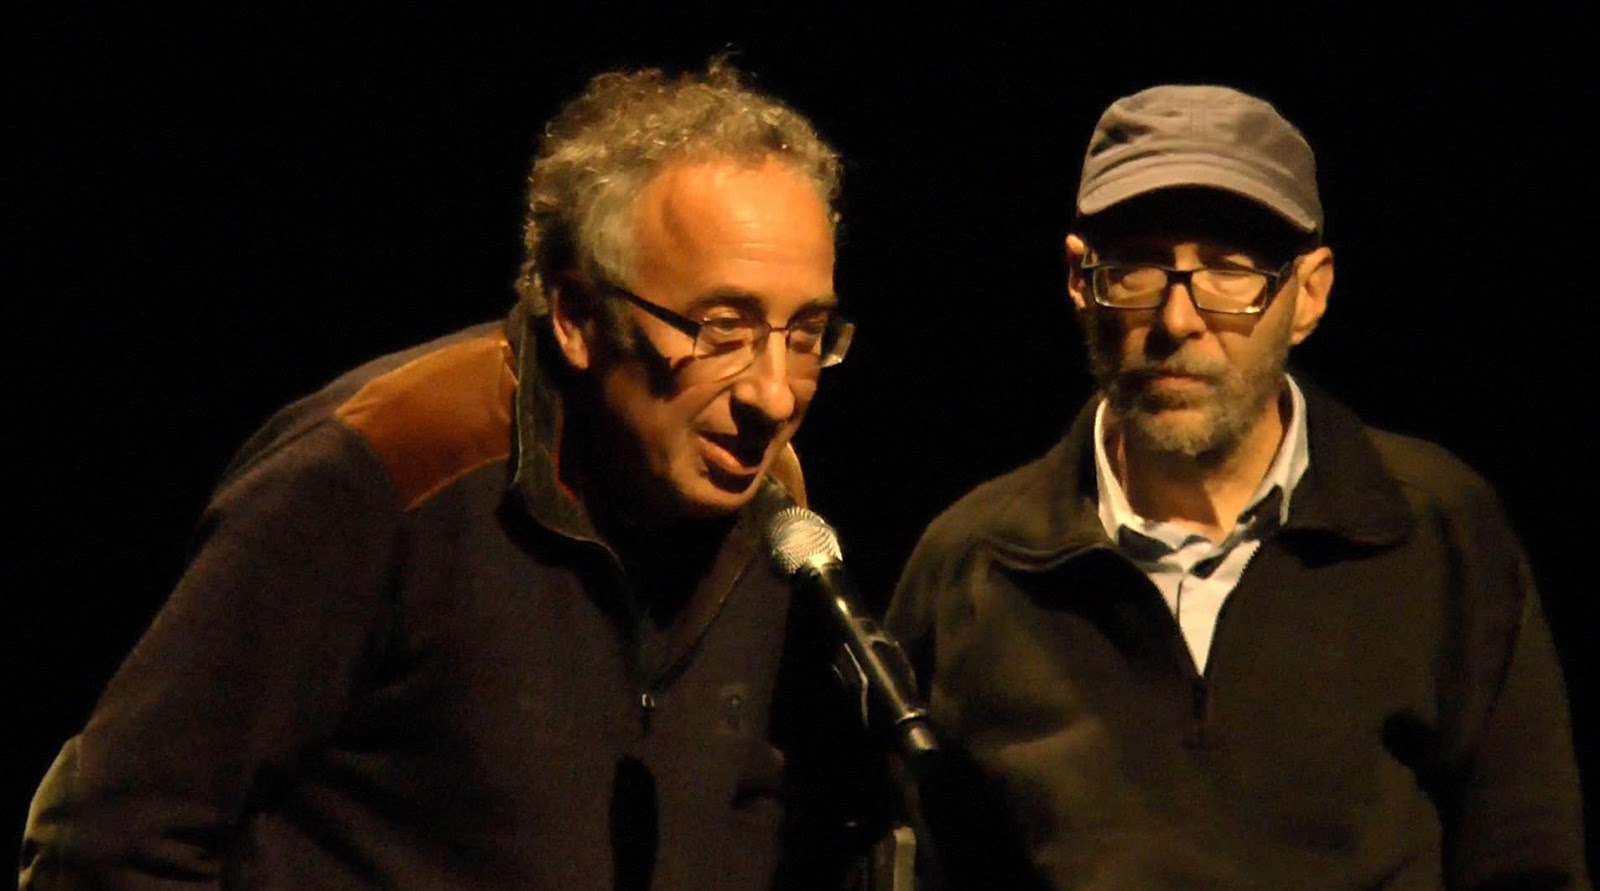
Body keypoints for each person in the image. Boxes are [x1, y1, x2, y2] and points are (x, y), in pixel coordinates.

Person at [21, 60, 876, 889]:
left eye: (806, 334)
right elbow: (108, 837)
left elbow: (744, 823)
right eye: (722, 329)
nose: (774, 394)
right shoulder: (385, 471)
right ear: (578, 316)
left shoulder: (770, 508)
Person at [886, 84, 1590, 888]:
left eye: (1230, 270)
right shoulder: (974, 568)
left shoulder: (1437, 530)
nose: (1178, 320)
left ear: (1309, 293)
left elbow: (1528, 865)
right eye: (1138, 267)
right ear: (1080, 280)